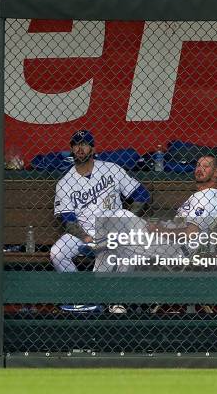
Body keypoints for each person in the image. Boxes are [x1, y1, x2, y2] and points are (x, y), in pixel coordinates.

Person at [50, 130, 151, 313]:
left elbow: (142, 195)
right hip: (84, 232)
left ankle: (116, 299)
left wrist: (127, 219)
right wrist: (86, 237)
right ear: (72, 149)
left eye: (84, 143)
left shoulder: (111, 169)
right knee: (57, 252)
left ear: (93, 148)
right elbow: (67, 219)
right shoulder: (65, 182)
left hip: (114, 227)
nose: (80, 148)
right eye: (76, 144)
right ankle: (81, 298)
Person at [145, 155, 217, 258]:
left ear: (216, 173)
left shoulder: (206, 198)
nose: (200, 169)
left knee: (126, 242)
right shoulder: (201, 195)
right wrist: (160, 224)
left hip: (178, 248)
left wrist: (158, 230)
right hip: (169, 240)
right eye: (198, 166)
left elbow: (191, 233)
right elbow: (179, 223)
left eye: (206, 166)